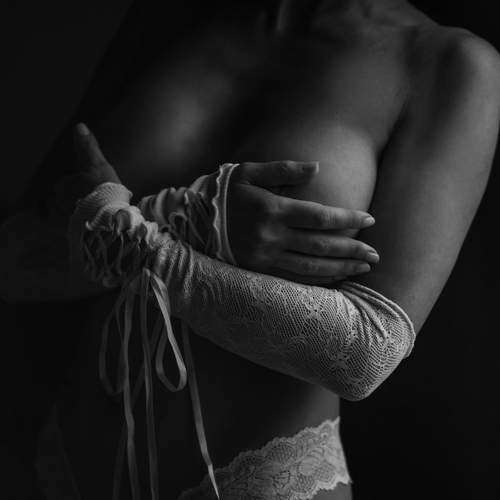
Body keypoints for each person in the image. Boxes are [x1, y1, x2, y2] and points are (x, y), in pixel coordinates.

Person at [1, 1, 499, 499]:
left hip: (257, 481)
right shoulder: (163, 18)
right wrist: (185, 216)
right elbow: (15, 264)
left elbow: (365, 351)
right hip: (67, 470)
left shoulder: (449, 64)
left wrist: (148, 244)